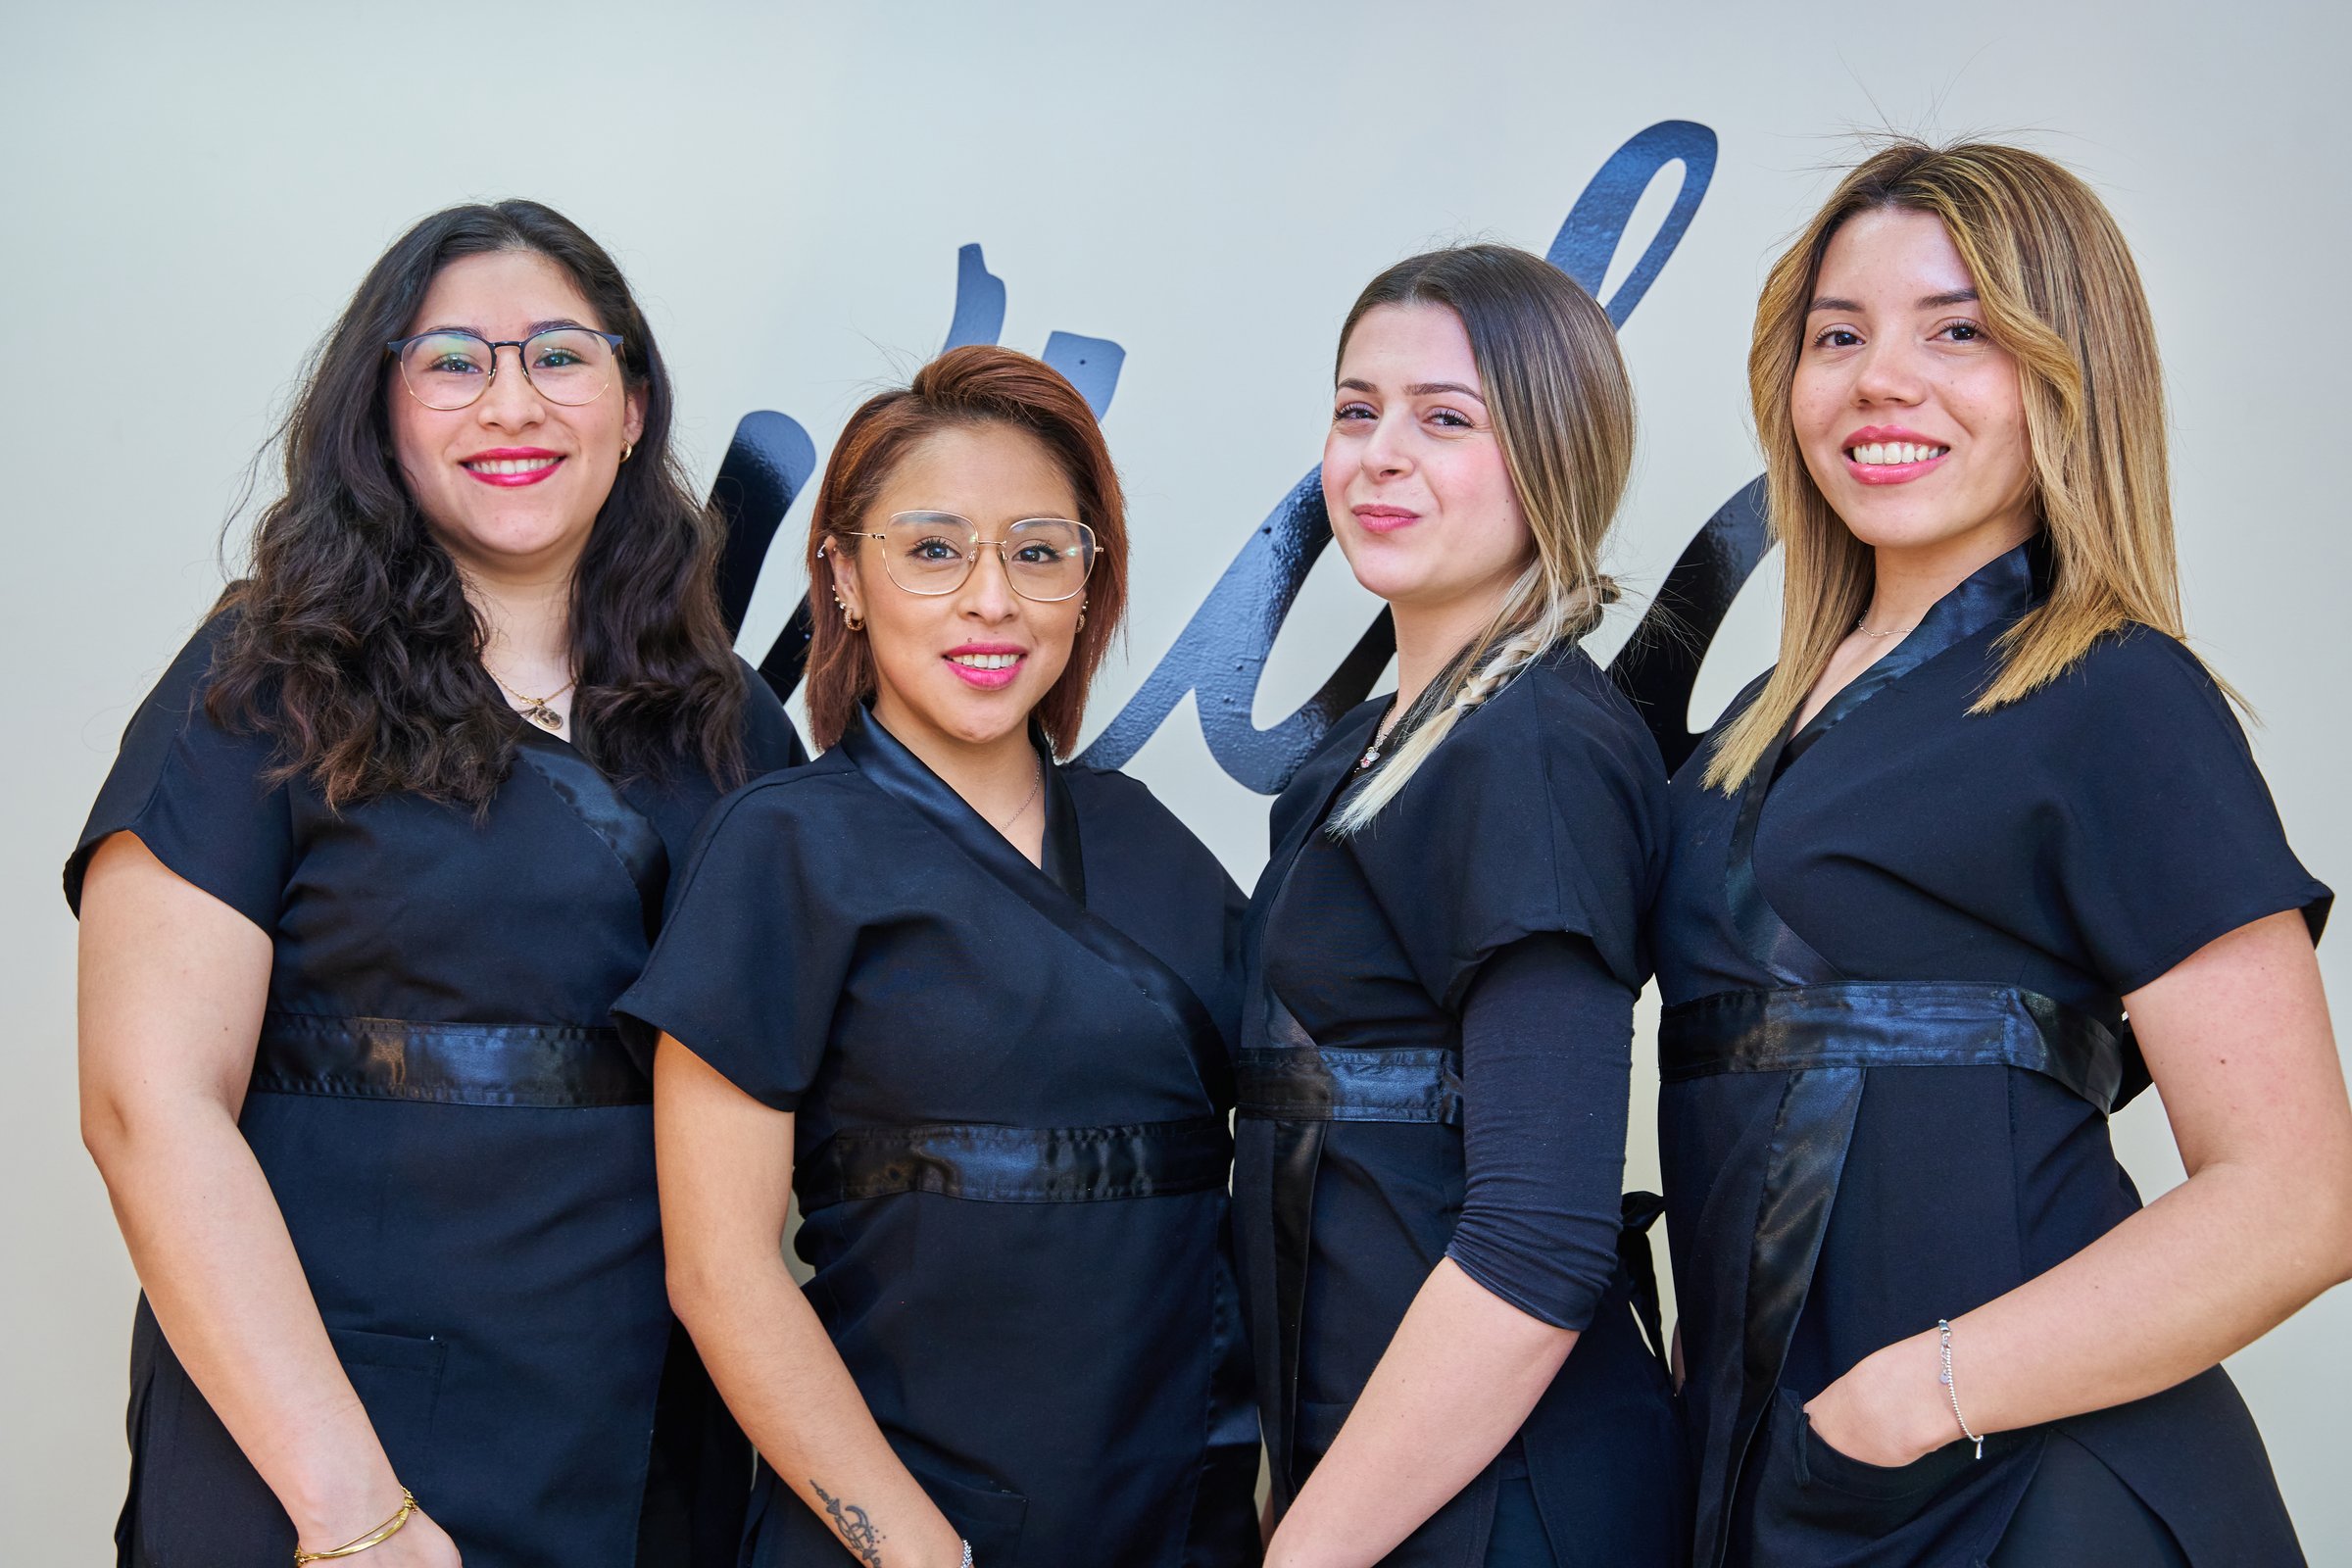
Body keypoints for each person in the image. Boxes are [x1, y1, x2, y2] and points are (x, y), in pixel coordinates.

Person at [70, 199, 803, 1567]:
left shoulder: (732, 723)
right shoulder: (262, 680)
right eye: (453, 361)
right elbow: (144, 1106)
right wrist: (352, 1511)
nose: (510, 402)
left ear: (632, 404)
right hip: (320, 1453)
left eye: (561, 358)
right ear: (384, 415)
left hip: (644, 1446)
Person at [1653, 139, 2352, 1567]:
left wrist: (1913, 1401)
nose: (1879, 379)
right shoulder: (1742, 731)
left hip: (2030, 1498)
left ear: (2064, 374)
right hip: (1788, 1498)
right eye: (1836, 335)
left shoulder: (2115, 692)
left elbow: (2297, 1199)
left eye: (1957, 332)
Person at [617, 344, 1258, 1567]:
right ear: (843, 579)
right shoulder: (782, 847)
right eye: (932, 548)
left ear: (1087, 580)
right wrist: (919, 1552)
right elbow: (718, 1267)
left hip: (1182, 1521)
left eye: (1037, 549)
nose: (992, 600)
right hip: (899, 1537)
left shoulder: (1148, 843)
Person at [1237, 245, 1686, 1568]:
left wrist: (1305, 1555)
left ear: (1556, 455)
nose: (1380, 454)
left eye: (1445, 419)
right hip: (1383, 1482)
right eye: (1355, 407)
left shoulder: (1532, 745)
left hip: (1502, 1505)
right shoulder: (1374, 744)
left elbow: (1539, 1247)